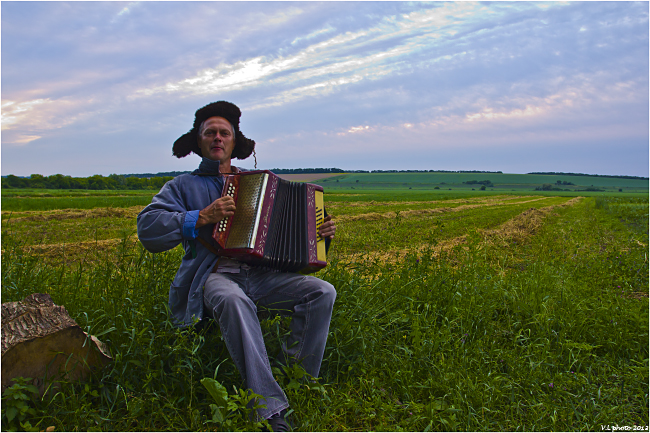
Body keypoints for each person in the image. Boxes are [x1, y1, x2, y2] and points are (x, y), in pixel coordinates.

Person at [137, 101, 337, 431]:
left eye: (224, 133)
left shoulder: (258, 183)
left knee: (321, 292)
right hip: (213, 275)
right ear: (198, 141)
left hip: (261, 274)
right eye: (209, 133)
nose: (217, 138)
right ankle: (268, 410)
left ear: (234, 141)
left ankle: (295, 381)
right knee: (232, 299)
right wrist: (201, 216)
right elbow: (148, 229)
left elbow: (289, 233)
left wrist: (320, 234)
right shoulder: (182, 186)